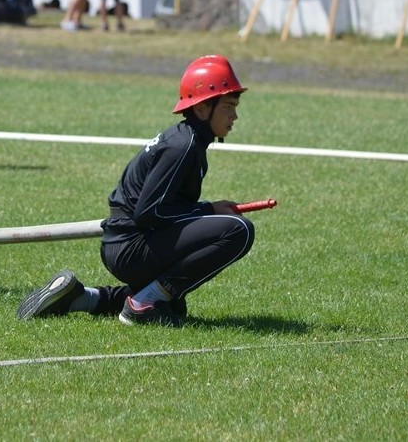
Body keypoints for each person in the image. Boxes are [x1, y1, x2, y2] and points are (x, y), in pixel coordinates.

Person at [16, 55, 256, 327]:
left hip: (125, 242)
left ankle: (80, 297)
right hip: (131, 245)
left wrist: (208, 210)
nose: (235, 116)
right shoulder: (183, 146)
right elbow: (149, 213)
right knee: (239, 229)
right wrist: (208, 209)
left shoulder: (187, 139)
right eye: (228, 106)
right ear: (202, 109)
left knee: (174, 306)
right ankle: (143, 305)